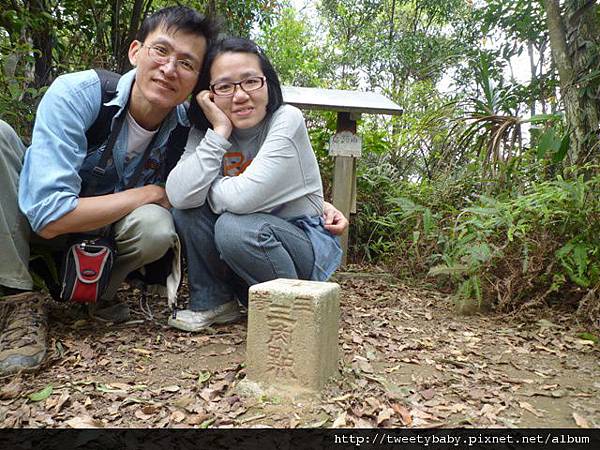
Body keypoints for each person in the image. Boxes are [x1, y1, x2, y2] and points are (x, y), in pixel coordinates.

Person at [0, 6, 218, 375]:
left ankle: (95, 292)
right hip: (29, 225)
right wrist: (148, 193)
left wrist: (309, 205)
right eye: (161, 51)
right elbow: (48, 216)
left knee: (156, 226)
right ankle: (16, 299)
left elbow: (235, 174)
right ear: (136, 51)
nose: (169, 69)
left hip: (100, 234)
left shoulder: (187, 131)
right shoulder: (79, 93)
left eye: (186, 63)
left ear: (197, 80)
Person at [165, 37, 347, 332]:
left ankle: (290, 312)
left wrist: (207, 187)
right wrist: (220, 132)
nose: (239, 96)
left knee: (233, 226)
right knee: (188, 211)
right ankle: (215, 300)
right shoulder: (207, 131)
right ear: (207, 95)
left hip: (298, 241)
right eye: (224, 86)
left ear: (268, 84)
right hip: (245, 247)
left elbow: (241, 200)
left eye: (251, 81)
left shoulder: (286, 119)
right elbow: (178, 196)